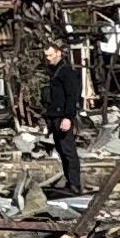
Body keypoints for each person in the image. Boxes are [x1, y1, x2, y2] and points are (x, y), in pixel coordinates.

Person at [37, 38, 90, 200]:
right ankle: (69, 182)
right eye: (46, 56)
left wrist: (68, 117)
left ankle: (74, 184)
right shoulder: (53, 72)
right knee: (61, 150)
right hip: (54, 116)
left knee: (68, 151)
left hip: (63, 116)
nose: (48, 59)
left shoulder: (66, 71)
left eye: (51, 55)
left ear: (58, 53)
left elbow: (72, 96)